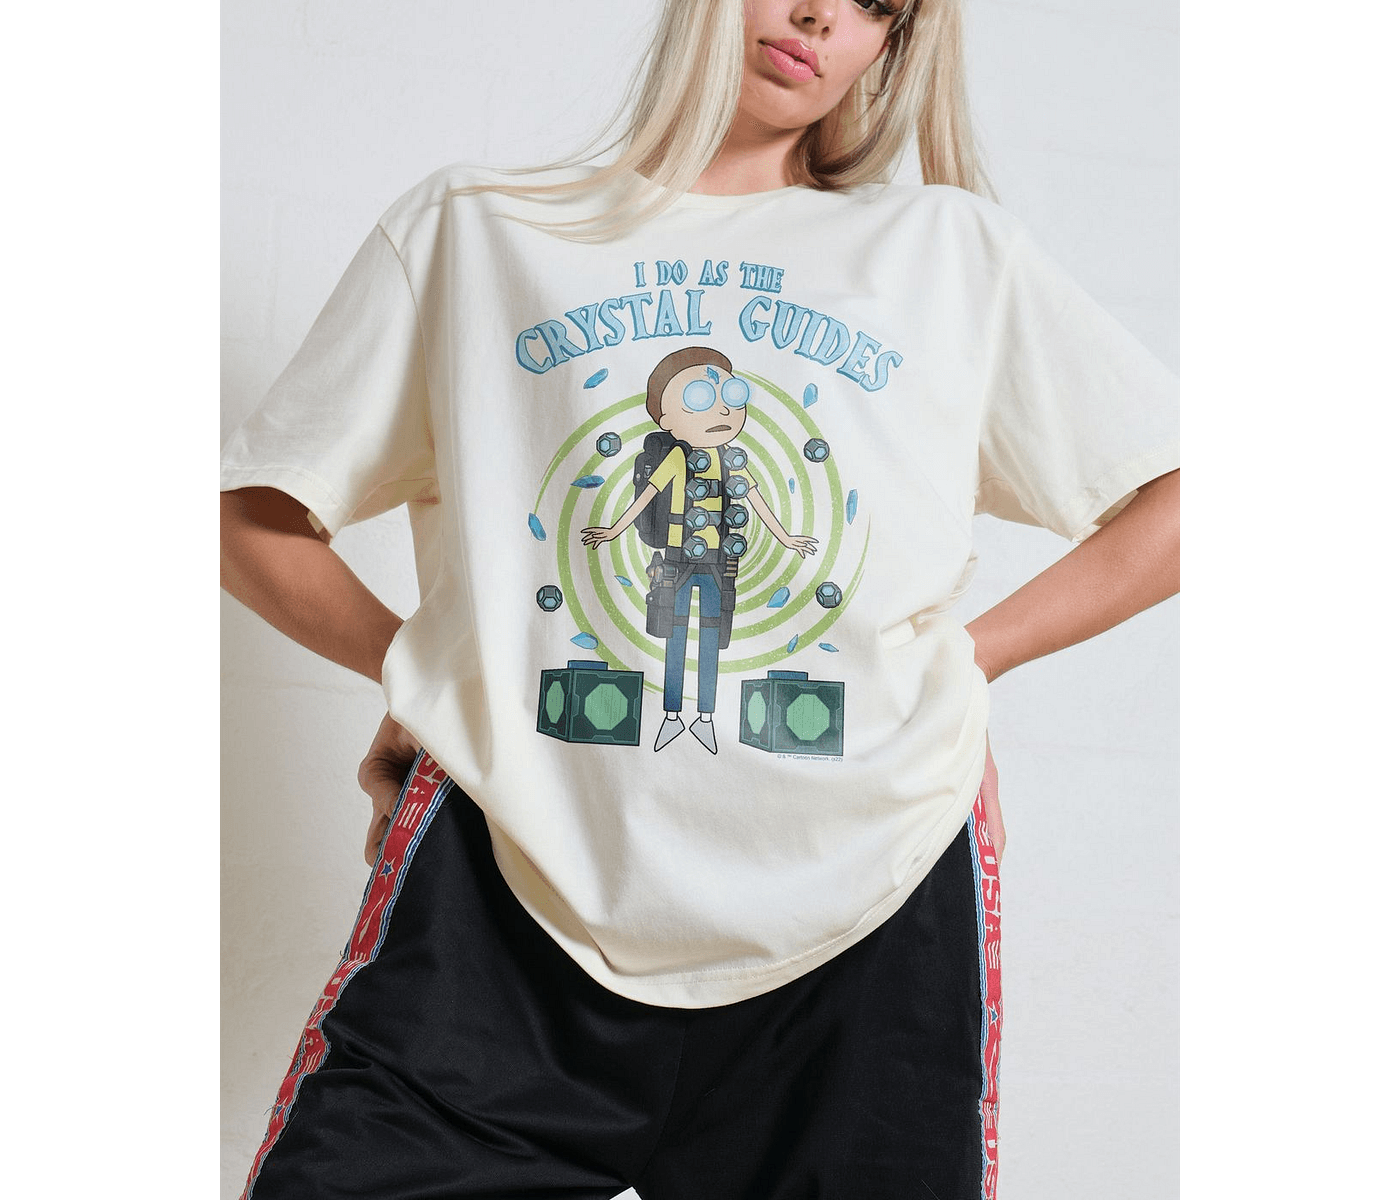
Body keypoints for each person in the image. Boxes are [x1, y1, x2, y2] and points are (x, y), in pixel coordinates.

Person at [219, 1, 1180, 1197]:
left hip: (867, 907)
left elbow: (1173, 496)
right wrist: (436, 666)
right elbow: (252, 517)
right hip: (507, 891)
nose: (821, 15)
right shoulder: (477, 230)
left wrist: (971, 656)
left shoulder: (949, 253)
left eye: (878, 5)